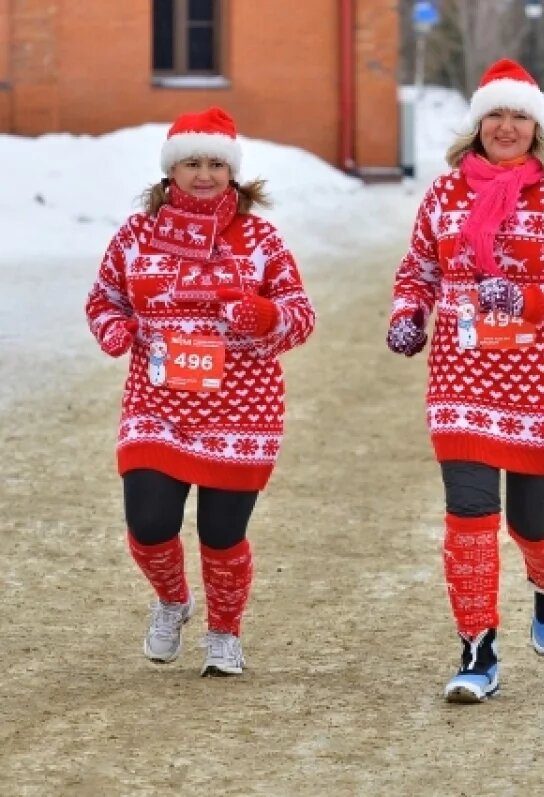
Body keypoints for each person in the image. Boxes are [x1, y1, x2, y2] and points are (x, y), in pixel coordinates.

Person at [386, 58, 544, 703]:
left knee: (533, 525)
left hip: (543, 385)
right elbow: (418, 269)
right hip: (462, 377)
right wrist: (408, 314)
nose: (506, 127)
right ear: (477, 124)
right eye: (495, 115)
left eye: (519, 116)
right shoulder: (445, 193)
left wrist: (523, 299)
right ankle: (478, 649)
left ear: (535, 128)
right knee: (469, 514)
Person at [84, 106, 316, 677]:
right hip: (156, 405)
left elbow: (300, 315)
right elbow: (104, 298)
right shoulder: (136, 236)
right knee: (148, 524)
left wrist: (261, 314)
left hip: (242, 409)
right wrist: (117, 329)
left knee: (221, 533)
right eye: (192, 163)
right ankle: (172, 601)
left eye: (216, 163)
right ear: (171, 172)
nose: (204, 174)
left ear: (233, 173)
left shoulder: (260, 238)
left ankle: (223, 634)